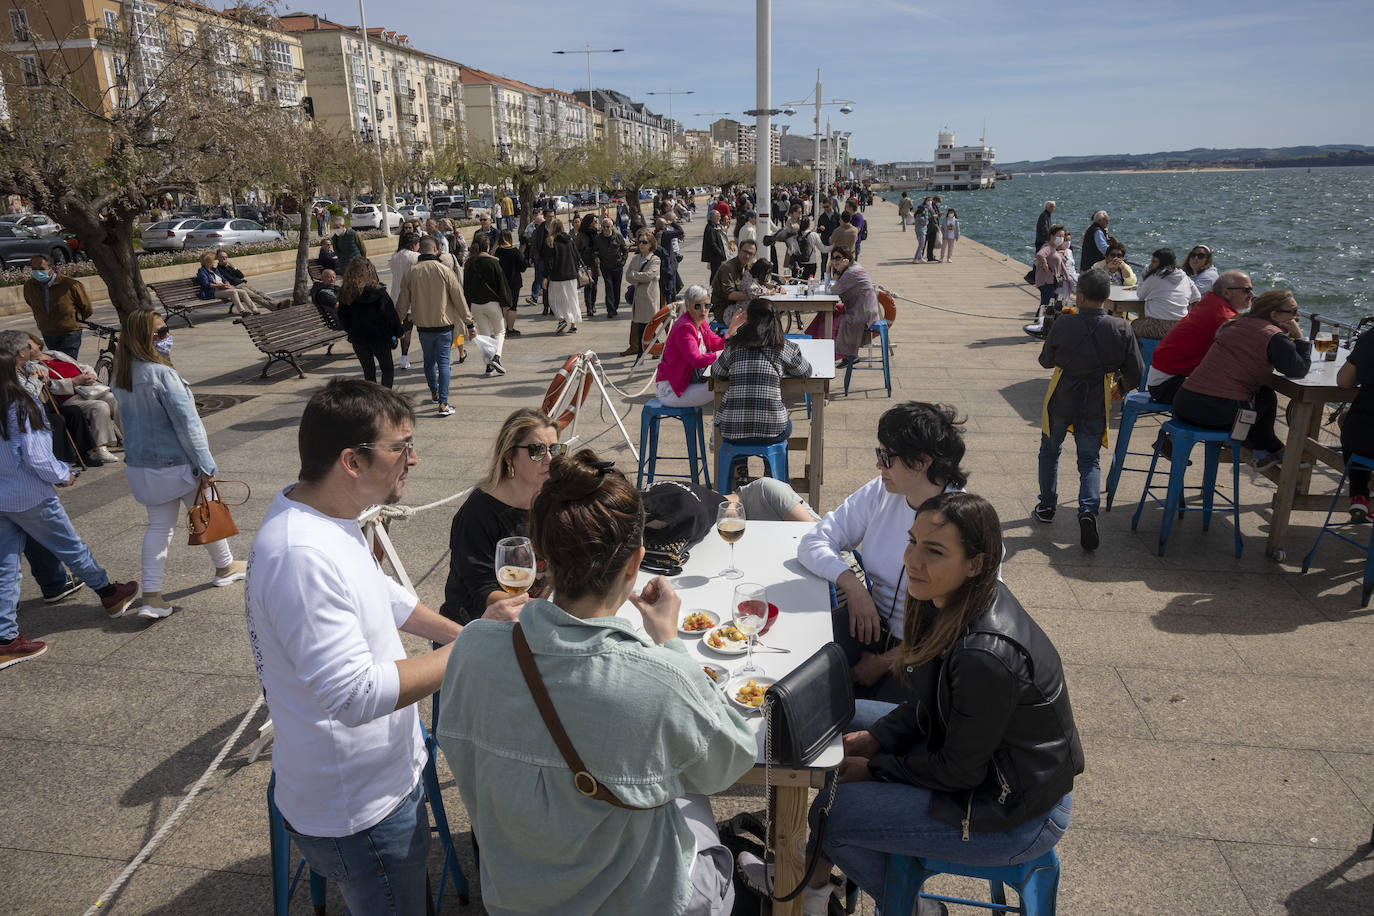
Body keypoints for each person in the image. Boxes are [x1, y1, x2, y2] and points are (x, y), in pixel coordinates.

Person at [435, 448, 756, 916]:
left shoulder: (472, 649)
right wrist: (669, 642)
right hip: (637, 899)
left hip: (515, 894)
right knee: (698, 807)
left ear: (540, 558)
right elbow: (730, 761)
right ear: (636, 562)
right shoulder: (661, 677)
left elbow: (467, 763)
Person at [245, 380, 515, 916]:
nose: (412, 459)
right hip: (359, 806)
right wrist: (476, 648)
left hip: (383, 774)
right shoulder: (301, 555)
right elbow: (354, 695)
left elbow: (383, 595)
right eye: (401, 446)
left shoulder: (326, 514)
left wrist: (459, 633)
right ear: (352, 460)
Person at [798, 491, 1081, 915]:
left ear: (976, 563)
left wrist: (876, 767)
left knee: (829, 811)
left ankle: (911, 906)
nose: (912, 560)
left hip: (1015, 809)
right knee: (838, 716)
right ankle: (813, 886)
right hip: (982, 763)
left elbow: (959, 771)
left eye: (934, 551)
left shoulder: (984, 655)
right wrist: (877, 738)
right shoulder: (947, 598)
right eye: (912, 542)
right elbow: (930, 701)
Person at [798, 402, 970, 700]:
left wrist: (884, 663)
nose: (879, 465)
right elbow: (813, 542)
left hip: (923, 653)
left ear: (922, 461)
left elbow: (965, 620)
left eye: (886, 457)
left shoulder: (964, 520)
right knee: (796, 665)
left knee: (837, 720)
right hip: (869, 622)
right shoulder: (882, 491)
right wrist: (854, 587)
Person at [0, 350, 139, 669]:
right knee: (71, 547)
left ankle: (5, 639)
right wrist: (63, 474)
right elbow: (35, 456)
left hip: (3, 496)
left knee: (5, 566)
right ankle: (108, 592)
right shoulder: (20, 405)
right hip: (29, 494)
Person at [112, 310, 245, 620]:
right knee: (207, 512)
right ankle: (224, 567)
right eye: (159, 333)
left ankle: (153, 595)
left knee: (160, 528)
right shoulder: (163, 375)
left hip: (142, 466)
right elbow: (189, 426)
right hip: (178, 465)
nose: (165, 337)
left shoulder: (121, 374)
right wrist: (207, 466)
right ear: (143, 339)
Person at [1034, 269, 1144, 550]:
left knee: (1050, 450)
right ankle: (1087, 510)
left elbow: (1046, 361)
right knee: (1089, 460)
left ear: (1079, 297)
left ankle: (1046, 506)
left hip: (1063, 395)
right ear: (1107, 298)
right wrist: (1120, 386)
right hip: (1097, 396)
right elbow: (1136, 371)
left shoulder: (1064, 323)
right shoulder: (1122, 328)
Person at [440, 409, 563, 625]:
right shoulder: (478, 512)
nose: (549, 459)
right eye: (537, 451)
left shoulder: (552, 498)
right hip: (475, 628)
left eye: (554, 449)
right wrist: (541, 614)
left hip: (531, 618)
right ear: (509, 456)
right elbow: (482, 590)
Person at [1173, 289, 1312, 470]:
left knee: (1262, 394)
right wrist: (1299, 336)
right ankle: (1266, 448)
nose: (1297, 315)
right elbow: (1298, 369)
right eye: (1292, 312)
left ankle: (1266, 450)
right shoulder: (1273, 336)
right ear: (1274, 314)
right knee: (1264, 397)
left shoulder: (1234, 324)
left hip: (1184, 403)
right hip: (1215, 411)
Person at [712, 297, 811, 451]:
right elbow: (805, 372)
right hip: (773, 430)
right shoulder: (783, 347)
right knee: (778, 425)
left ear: (748, 320)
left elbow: (716, 372)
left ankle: (740, 470)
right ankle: (770, 468)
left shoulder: (734, 346)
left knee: (743, 431)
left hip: (733, 430)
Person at [1146, 271, 1253, 404]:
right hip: (1169, 384)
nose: (1251, 295)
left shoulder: (1211, 303)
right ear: (1226, 293)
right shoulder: (1223, 317)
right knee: (1250, 396)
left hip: (1162, 378)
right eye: (1246, 290)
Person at [396, 236, 472, 418]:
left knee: (429, 362)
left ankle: (434, 392)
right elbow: (459, 299)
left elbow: (402, 303)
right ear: (436, 249)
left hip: (423, 326)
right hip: (444, 326)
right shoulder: (444, 270)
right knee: (444, 363)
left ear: (419, 250)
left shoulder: (411, 272)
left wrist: (397, 323)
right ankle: (443, 403)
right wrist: (469, 322)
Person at [29, 333, 122, 465]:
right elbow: (50, 386)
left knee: (113, 398)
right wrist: (74, 381)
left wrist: (90, 375)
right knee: (100, 406)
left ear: (37, 343)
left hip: (88, 389)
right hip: (69, 396)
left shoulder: (54, 354)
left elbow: (81, 366)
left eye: (29, 345)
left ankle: (131, 437)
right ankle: (99, 448)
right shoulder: (33, 366)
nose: (26, 349)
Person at [655, 285, 725, 408]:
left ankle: (722, 425)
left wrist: (731, 333)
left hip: (687, 382)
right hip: (671, 390)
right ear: (687, 306)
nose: (703, 310)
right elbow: (696, 360)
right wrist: (721, 355)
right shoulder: (684, 327)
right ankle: (722, 426)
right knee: (724, 386)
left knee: (725, 383)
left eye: (707, 305)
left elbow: (717, 344)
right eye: (697, 306)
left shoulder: (701, 323)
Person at [337, 258, 402, 389]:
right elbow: (391, 316)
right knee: (387, 370)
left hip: (359, 338)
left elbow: (343, 318)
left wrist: (351, 330)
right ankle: (386, 398)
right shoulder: (380, 293)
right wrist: (397, 333)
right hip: (381, 337)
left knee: (369, 373)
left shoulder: (346, 294)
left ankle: (372, 399)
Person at [1336, 328, 1374, 520]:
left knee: (1347, 420)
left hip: (1361, 433)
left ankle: (1360, 495)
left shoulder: (1369, 338)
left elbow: (1343, 381)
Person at [463, 235, 513, 377]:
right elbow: (502, 284)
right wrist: (507, 303)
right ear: (488, 246)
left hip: (475, 305)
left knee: (484, 335)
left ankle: (488, 366)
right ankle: (496, 356)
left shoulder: (469, 264)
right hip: (492, 303)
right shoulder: (493, 263)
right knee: (500, 331)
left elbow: (466, 288)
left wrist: (467, 306)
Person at [23, 255, 91, 360]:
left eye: (41, 269)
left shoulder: (70, 285)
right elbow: (31, 303)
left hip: (70, 332)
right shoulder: (29, 286)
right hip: (48, 332)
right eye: (34, 269)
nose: (37, 272)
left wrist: (73, 320)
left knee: (68, 364)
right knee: (56, 365)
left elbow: (86, 308)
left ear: (52, 269)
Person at [826, 248, 882, 366]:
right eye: (833, 258)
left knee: (830, 319)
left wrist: (832, 272)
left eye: (838, 258)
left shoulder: (850, 272)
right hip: (863, 309)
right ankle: (842, 354)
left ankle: (842, 354)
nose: (835, 261)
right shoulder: (852, 268)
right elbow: (831, 290)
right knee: (826, 315)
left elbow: (831, 291)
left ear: (847, 258)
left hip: (863, 313)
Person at [1134, 248, 1201, 340]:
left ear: (1162, 263)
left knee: (1133, 325)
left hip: (1157, 325)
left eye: (1154, 262)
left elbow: (1140, 294)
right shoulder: (1184, 276)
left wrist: (1144, 276)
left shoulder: (1155, 276)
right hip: (1180, 326)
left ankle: (1137, 353)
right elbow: (1197, 297)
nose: (1151, 265)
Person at [623, 230, 662, 357]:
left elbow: (648, 276)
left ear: (651, 244)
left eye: (645, 242)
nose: (641, 245)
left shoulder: (655, 259)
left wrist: (635, 275)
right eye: (639, 242)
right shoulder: (635, 259)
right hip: (638, 298)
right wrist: (636, 276)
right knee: (643, 327)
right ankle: (655, 350)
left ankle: (641, 355)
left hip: (649, 298)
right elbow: (628, 276)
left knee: (646, 327)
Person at [541, 218, 581, 335]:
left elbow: (549, 262)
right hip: (571, 274)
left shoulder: (550, 241)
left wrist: (545, 276)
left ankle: (561, 319)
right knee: (572, 299)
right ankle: (573, 325)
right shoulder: (570, 240)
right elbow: (576, 256)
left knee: (554, 300)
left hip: (557, 276)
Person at [388, 232, 421, 371]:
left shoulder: (394, 257)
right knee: (411, 328)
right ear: (414, 244)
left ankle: (403, 356)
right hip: (412, 298)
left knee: (403, 327)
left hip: (396, 296)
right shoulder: (416, 257)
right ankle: (404, 358)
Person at [709, 239, 759, 326]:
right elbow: (730, 295)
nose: (747, 256)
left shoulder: (749, 267)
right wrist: (754, 295)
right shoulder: (727, 268)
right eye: (745, 252)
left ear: (754, 255)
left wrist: (775, 288)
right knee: (757, 320)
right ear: (739, 250)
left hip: (740, 307)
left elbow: (760, 282)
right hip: (724, 309)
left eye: (750, 254)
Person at [195, 250, 259, 315]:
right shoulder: (202, 271)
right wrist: (219, 286)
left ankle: (255, 310)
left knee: (243, 292)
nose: (214, 262)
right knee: (233, 292)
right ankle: (242, 311)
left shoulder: (214, 269)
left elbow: (223, 278)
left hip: (223, 289)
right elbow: (206, 284)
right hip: (212, 292)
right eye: (212, 261)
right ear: (207, 261)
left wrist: (227, 283)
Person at [592, 216, 628, 319]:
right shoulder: (598, 239)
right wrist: (596, 257)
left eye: (608, 226)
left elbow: (625, 251)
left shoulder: (618, 236)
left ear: (611, 227)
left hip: (617, 267)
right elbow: (594, 251)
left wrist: (622, 262)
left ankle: (615, 306)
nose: (606, 229)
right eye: (604, 227)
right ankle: (610, 310)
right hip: (605, 267)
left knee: (616, 288)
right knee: (609, 287)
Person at [495, 230, 527, 337]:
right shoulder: (514, 251)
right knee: (513, 306)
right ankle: (510, 328)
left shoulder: (498, 251)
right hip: (514, 282)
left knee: (504, 305)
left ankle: (504, 327)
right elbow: (523, 267)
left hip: (502, 282)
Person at [1033, 225, 1070, 313]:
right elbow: (1040, 255)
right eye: (1059, 236)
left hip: (1054, 281)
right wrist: (1045, 264)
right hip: (1046, 281)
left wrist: (1068, 278)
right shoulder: (1047, 247)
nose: (1061, 239)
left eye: (1062, 236)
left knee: (1049, 303)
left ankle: (1042, 322)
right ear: (1052, 236)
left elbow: (1061, 265)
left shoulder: (1054, 250)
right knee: (1047, 304)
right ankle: (1040, 322)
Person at [574, 213, 600, 319]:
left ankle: (593, 304)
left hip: (595, 264)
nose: (596, 223)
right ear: (589, 223)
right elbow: (577, 250)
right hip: (586, 264)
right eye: (594, 221)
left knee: (594, 285)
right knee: (588, 286)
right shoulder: (581, 235)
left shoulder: (596, 234)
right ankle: (589, 307)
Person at [701, 209, 730, 283]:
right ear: (713, 217)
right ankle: (713, 289)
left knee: (716, 273)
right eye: (718, 216)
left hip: (716, 256)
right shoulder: (710, 228)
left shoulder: (715, 226)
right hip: (715, 257)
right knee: (715, 274)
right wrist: (720, 253)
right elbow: (713, 243)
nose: (719, 218)